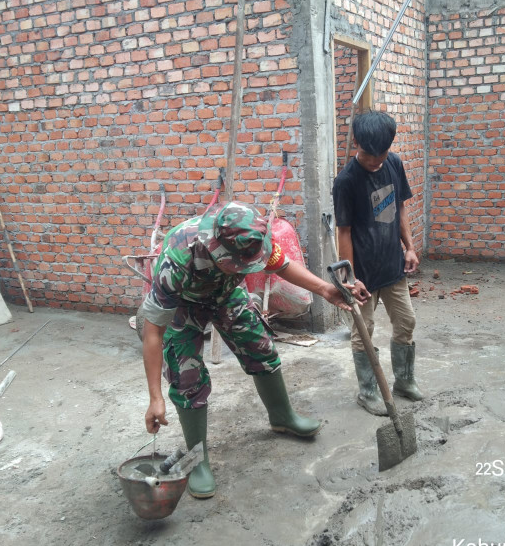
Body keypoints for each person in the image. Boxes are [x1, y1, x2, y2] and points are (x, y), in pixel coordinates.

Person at [140, 201, 364, 499]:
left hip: (227, 294)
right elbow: (153, 331)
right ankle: (198, 460)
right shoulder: (177, 259)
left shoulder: (252, 239)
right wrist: (155, 397)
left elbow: (282, 265)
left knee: (260, 346)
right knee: (186, 378)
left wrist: (326, 290)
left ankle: (282, 416)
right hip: (185, 304)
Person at [333, 110, 424, 416]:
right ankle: (368, 392)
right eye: (370, 154)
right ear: (357, 143)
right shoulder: (345, 182)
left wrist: (409, 247)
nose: (376, 161)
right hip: (363, 276)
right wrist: (351, 277)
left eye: (382, 153)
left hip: (392, 266)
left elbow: (399, 208)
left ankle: (404, 381)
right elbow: (343, 231)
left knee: (406, 322)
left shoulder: (394, 164)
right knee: (364, 331)